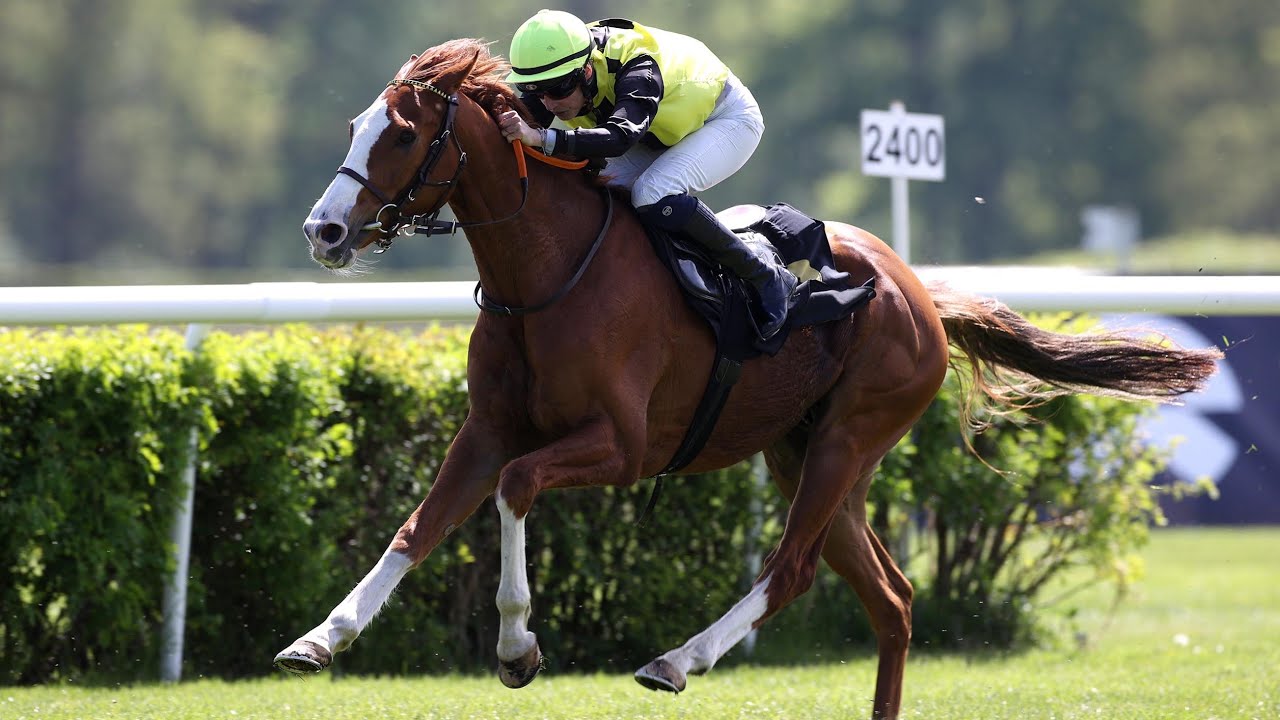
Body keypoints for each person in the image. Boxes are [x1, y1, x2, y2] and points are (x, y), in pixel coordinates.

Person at [498, 9, 795, 340]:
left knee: (651, 193)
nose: (549, 104)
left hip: (724, 119)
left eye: (556, 91)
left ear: (585, 71)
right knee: (584, 187)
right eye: (536, 92)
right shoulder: (560, 71)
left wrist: (543, 137)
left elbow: (620, 137)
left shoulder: (638, 64)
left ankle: (764, 276)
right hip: (654, 131)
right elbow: (520, 125)